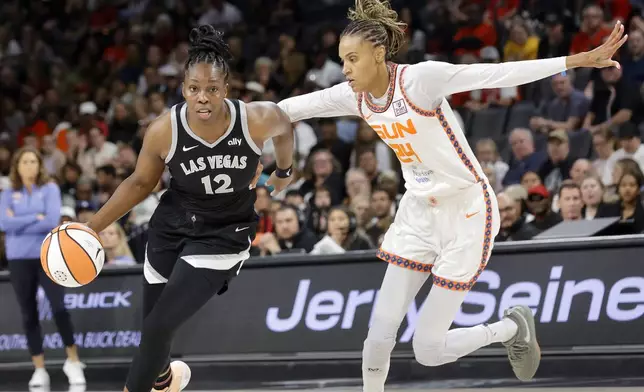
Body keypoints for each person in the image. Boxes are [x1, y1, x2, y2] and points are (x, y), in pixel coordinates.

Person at [277, 0, 627, 390]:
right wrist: (232, 122)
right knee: (379, 332)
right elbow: (287, 109)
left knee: (428, 349)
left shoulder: (420, 81)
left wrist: (577, 60)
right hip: (418, 212)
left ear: (378, 54)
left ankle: (510, 327)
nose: (345, 69)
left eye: (353, 59)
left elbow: (498, 74)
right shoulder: (354, 95)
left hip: (466, 210)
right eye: (342, 60)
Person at [81, 25, 295, 392]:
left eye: (212, 89)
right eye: (194, 88)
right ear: (183, 89)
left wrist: (283, 171)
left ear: (226, 89)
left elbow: (285, 127)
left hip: (225, 232)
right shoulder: (165, 130)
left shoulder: (257, 118)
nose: (203, 98)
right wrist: (91, 226)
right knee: (152, 325)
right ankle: (166, 381)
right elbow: (139, 183)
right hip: (172, 223)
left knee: (157, 326)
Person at [0, 147, 86, 387]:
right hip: (18, 259)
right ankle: (39, 368)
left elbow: (50, 221)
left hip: (48, 256)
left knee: (59, 307)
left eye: (33, 161)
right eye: (24, 162)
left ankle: (73, 360)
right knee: (29, 314)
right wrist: (34, 217)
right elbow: (3, 222)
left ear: (40, 165)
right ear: (17, 166)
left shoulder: (50, 189)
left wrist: (22, 221)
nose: (29, 166)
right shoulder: (8, 193)